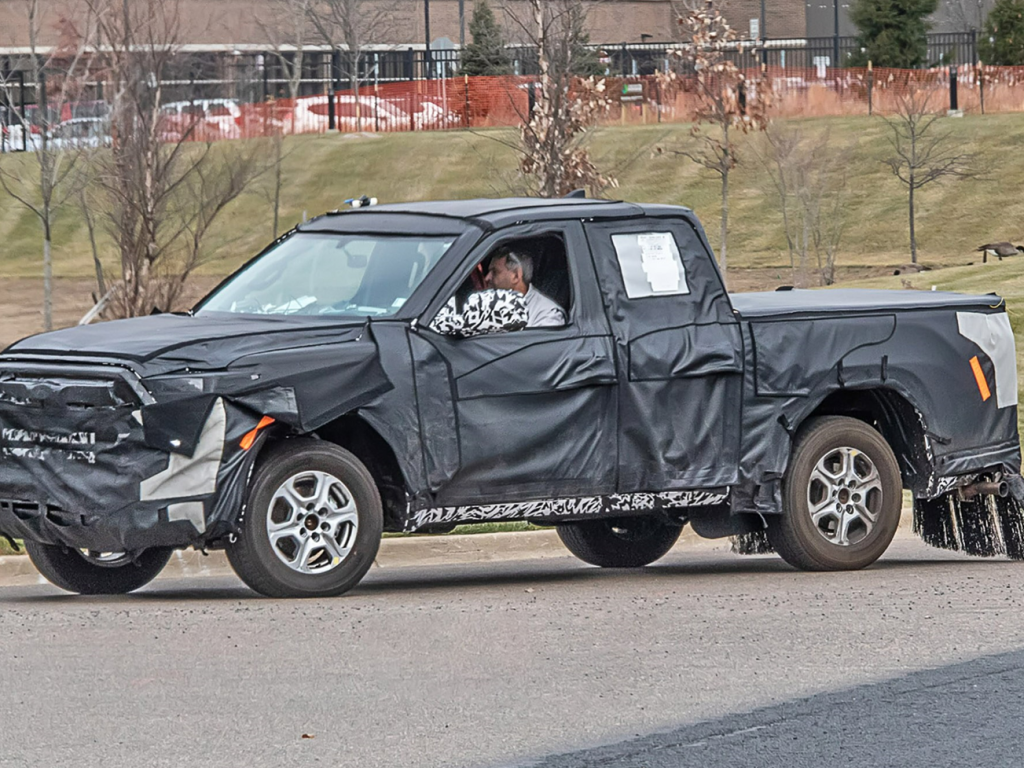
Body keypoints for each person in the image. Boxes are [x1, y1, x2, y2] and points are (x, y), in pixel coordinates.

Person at [484, 249, 567, 328]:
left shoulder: (547, 314)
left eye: (495, 272)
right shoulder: (489, 306)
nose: (487, 278)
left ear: (516, 276)